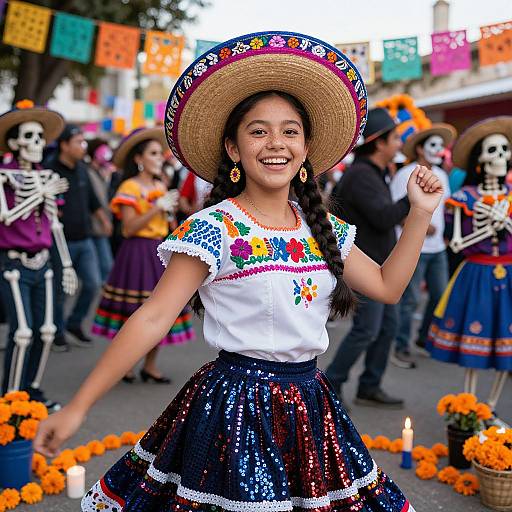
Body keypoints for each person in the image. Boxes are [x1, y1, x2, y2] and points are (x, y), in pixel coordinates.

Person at [35, 31, 442, 512]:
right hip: (234, 410)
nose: (276, 144)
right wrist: (79, 406)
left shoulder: (323, 226)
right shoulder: (213, 228)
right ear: (233, 148)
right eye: (258, 131)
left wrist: (419, 213)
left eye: (290, 131)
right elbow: (152, 318)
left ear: (306, 147)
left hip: (312, 408)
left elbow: (387, 287)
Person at [91, 128, 195, 383]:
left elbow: (167, 223)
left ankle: (150, 365)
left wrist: (172, 219)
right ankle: (125, 365)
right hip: (136, 251)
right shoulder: (129, 187)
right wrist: (156, 208)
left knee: (161, 308)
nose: (160, 158)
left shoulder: (161, 184)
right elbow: (128, 228)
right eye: (153, 153)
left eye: (160, 153)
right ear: (139, 159)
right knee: (132, 310)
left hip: (159, 249)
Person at [325, 107, 410, 408]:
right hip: (366, 267)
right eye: (396, 138)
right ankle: (332, 383)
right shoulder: (362, 175)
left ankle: (369, 386)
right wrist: (413, 200)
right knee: (366, 330)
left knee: (387, 328)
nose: (400, 143)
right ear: (379, 143)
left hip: (381, 265)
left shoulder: (373, 173)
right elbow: (384, 217)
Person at [428, 117, 512, 420]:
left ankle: (489, 406)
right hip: (476, 272)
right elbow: (457, 243)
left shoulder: (510, 195)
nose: (501, 157)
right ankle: (468, 408)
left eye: (505, 150)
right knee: (474, 337)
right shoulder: (465, 198)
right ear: (480, 160)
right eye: (493, 151)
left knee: (506, 341)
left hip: (507, 273)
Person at [0, 101, 78, 410]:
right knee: (22, 332)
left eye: (40, 138)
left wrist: (67, 265)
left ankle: (31, 391)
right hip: (13, 263)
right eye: (30, 137)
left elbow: (53, 223)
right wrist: (40, 193)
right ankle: (9, 397)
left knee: (45, 332)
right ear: (15, 143)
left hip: (45, 260)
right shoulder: (4, 176)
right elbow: (6, 217)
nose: (37, 144)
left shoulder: (46, 176)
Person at [389, 123, 455, 368]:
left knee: (440, 295)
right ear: (419, 149)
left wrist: (447, 231)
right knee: (410, 300)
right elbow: (394, 211)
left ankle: (422, 338)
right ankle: (401, 345)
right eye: (432, 144)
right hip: (413, 248)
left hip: (438, 248)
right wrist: (420, 224)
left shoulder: (443, 175)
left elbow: (445, 206)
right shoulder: (405, 174)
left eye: (440, 145)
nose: (437, 150)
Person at [46, 125, 112, 348]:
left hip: (85, 239)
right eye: (78, 142)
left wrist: (103, 220)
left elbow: (93, 201)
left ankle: (74, 322)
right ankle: (56, 332)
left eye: (84, 142)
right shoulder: (50, 170)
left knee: (93, 284)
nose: (83, 146)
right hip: (59, 241)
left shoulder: (83, 169)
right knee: (60, 289)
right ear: (64, 145)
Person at [86, 138, 116, 283]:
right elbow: (94, 201)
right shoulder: (88, 172)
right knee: (105, 267)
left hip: (101, 228)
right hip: (94, 228)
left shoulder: (101, 173)